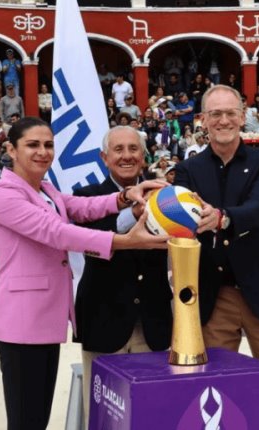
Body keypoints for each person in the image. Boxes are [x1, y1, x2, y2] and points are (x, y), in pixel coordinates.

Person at [0, 117, 168, 430]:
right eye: (32, 145)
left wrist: (126, 198)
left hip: (44, 319)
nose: (42, 152)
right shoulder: (3, 194)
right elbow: (58, 232)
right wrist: (125, 242)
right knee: (26, 420)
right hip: (20, 322)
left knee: (36, 418)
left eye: (47, 145)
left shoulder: (45, 189)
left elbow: (83, 207)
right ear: (11, 150)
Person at [172, 85, 259, 430]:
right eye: (215, 113)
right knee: (218, 393)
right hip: (215, 297)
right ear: (202, 120)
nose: (223, 120)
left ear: (243, 114)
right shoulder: (188, 169)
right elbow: (185, 222)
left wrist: (223, 218)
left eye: (230, 112)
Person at [73, 126, 173, 425]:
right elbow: (90, 241)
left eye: (133, 149)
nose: (127, 156)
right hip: (103, 322)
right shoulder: (84, 196)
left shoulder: (165, 197)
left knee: (151, 415)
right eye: (119, 150)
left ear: (143, 157)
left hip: (152, 324)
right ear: (105, 157)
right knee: (104, 418)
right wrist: (133, 212)